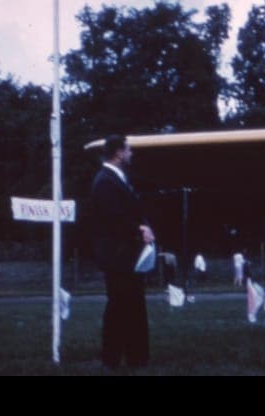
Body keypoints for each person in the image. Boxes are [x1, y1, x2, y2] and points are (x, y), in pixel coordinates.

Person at [90, 134, 155, 369]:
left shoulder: (116, 178)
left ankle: (135, 357)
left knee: (131, 306)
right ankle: (113, 358)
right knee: (120, 307)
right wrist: (139, 230)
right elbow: (113, 219)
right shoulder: (105, 181)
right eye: (128, 150)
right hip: (118, 256)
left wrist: (143, 226)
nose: (131, 153)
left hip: (126, 254)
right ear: (118, 153)